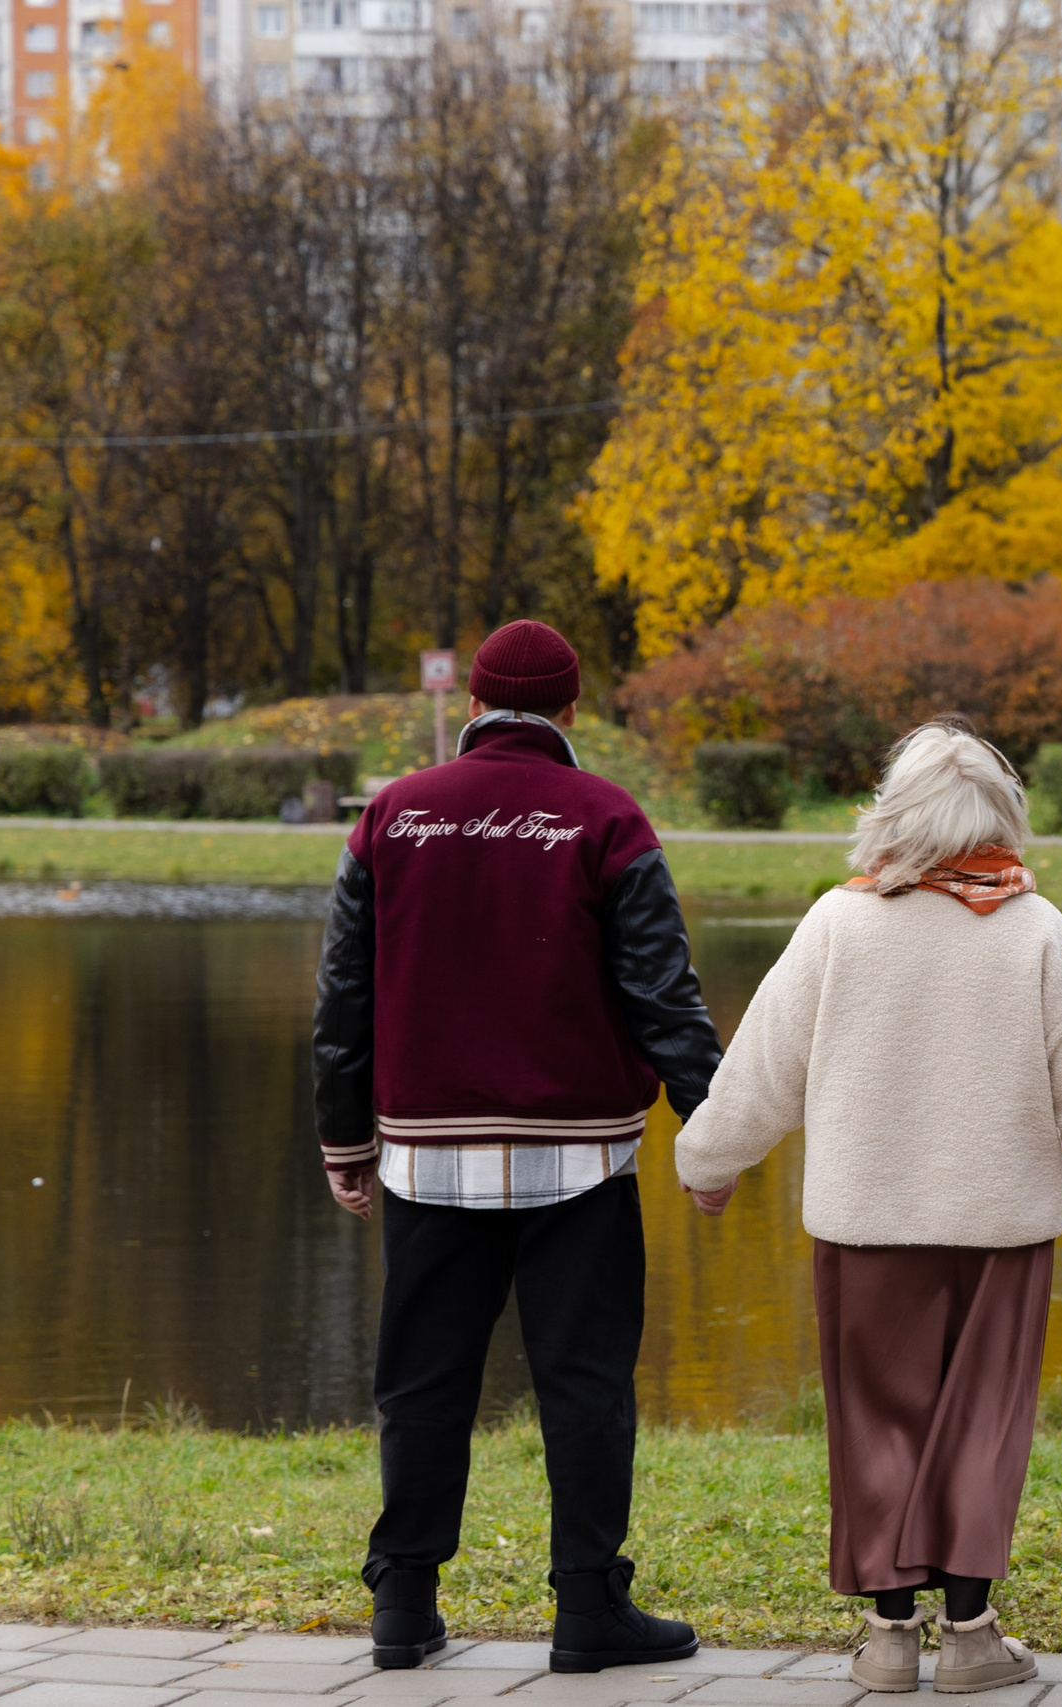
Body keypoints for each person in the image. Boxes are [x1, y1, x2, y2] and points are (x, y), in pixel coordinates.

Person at [673, 719, 1062, 1695]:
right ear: (1001, 817)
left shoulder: (838, 922)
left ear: (891, 816)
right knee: (981, 1423)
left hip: (866, 1226)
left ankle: (890, 1637)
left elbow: (766, 1068)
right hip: (1000, 1229)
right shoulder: (1038, 933)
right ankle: (972, 1633)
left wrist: (707, 1162)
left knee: (878, 1422)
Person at [312, 618, 723, 1674]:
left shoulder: (392, 815)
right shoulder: (608, 818)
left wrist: (342, 1135)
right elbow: (661, 994)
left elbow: (346, 993)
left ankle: (403, 1603)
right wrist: (709, 1129)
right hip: (577, 1156)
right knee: (584, 1383)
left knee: (422, 1381)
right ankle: (588, 1607)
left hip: (425, 1155)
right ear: (572, 709)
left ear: (472, 704)